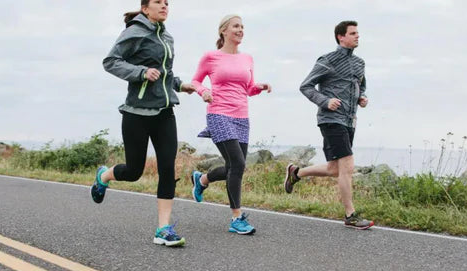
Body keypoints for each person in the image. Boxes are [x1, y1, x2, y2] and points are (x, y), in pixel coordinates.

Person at [91, 0, 195, 247]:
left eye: (167, 3)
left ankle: (163, 229)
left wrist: (180, 84)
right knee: (134, 171)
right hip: (136, 113)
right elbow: (111, 61)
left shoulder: (166, 36)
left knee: (167, 167)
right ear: (145, 8)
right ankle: (104, 176)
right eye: (158, 2)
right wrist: (141, 72)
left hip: (164, 112)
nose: (164, 6)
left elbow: (164, 73)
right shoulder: (135, 31)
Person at [283, 21, 374, 230]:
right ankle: (350, 215)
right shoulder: (328, 60)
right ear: (340, 37)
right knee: (348, 166)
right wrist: (325, 101)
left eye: (358, 33)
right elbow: (305, 86)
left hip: (350, 120)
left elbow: (362, 86)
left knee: (335, 169)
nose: (357, 36)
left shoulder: (360, 63)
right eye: (353, 33)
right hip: (331, 119)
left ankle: (296, 173)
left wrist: (363, 98)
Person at [189, 15, 272, 235]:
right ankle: (236, 218)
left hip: (242, 117)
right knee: (238, 163)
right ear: (223, 31)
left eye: (243, 26)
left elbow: (249, 88)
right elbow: (196, 81)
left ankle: (202, 179)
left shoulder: (247, 59)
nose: (240, 29)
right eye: (236, 26)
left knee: (234, 167)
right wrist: (204, 91)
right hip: (218, 114)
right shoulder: (211, 57)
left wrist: (260, 86)